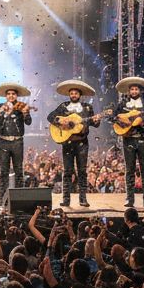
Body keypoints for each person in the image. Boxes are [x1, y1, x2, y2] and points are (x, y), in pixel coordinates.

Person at [46, 79, 101, 208]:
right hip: (67, 143)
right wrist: (60, 122)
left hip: (82, 143)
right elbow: (50, 117)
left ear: (80, 95)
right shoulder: (63, 106)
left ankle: (83, 199)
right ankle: (66, 199)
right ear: (69, 95)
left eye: (76, 93)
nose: (74, 95)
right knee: (67, 172)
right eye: (72, 93)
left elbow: (94, 124)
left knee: (82, 171)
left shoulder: (87, 107)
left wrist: (97, 120)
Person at [114, 76, 144, 208]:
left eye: (136, 89)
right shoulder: (123, 103)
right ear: (129, 91)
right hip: (128, 140)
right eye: (132, 89)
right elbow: (113, 117)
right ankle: (129, 199)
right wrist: (124, 121)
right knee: (129, 170)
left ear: (140, 90)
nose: (134, 91)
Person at [0, 83, 32, 207]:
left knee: (19, 171)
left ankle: (19, 200)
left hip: (17, 141)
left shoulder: (22, 106)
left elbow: (28, 122)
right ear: (5, 96)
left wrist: (25, 113)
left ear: (16, 95)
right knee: (4, 172)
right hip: (4, 142)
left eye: (13, 94)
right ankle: (3, 199)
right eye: (8, 94)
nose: (11, 96)